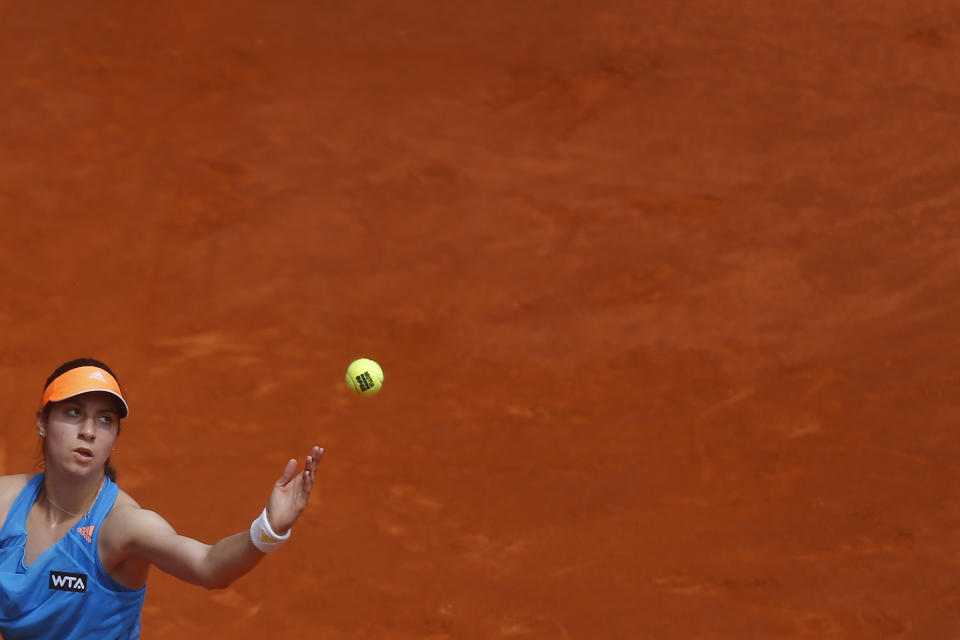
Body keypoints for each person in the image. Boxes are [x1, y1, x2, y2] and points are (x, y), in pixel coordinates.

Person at [0, 358, 322, 639]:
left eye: (104, 419)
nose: (89, 431)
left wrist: (269, 528)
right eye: (74, 412)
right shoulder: (5, 501)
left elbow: (209, 566)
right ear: (42, 422)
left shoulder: (124, 527)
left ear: (114, 439)